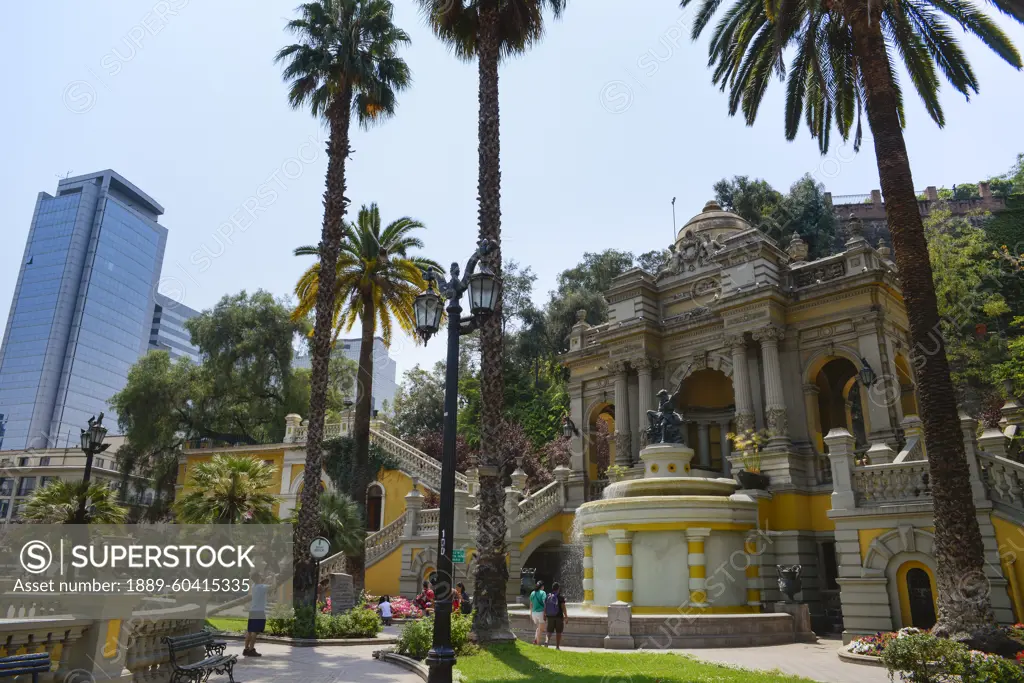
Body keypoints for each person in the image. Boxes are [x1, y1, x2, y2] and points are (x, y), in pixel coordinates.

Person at [244, 570, 269, 657]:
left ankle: (246, 649)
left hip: (252, 611)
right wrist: (273, 577)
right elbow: (273, 586)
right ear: (258, 578)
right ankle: (251, 650)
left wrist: (265, 578)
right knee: (255, 631)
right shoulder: (262, 587)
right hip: (259, 611)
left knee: (250, 631)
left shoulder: (254, 586)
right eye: (260, 575)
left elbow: (262, 583)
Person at [544, 581, 568, 650]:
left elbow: (545, 606)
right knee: (558, 632)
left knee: (549, 631)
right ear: (558, 588)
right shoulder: (560, 597)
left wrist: (544, 615)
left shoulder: (548, 596)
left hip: (550, 616)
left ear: (552, 588)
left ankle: (546, 641)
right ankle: (557, 647)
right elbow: (563, 608)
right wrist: (566, 617)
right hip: (559, 617)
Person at [528, 579, 547, 645]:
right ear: (542, 587)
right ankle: (538, 643)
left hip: (534, 613)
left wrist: (530, 613)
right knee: (541, 629)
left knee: (539, 628)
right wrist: (545, 613)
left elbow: (531, 604)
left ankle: (535, 641)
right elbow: (545, 603)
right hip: (540, 613)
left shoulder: (532, 593)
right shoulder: (543, 593)